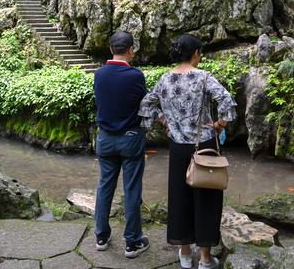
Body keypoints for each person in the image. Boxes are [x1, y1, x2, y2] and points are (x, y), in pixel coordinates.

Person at [139, 34, 236, 269]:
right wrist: (219, 125)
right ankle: (204, 259)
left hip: (178, 147)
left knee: (179, 197)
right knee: (206, 199)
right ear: (195, 54)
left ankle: (184, 254)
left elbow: (145, 105)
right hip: (203, 146)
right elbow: (227, 103)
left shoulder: (165, 79)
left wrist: (166, 121)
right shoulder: (203, 77)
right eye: (200, 53)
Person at [93, 30, 150, 258]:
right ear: (130, 50)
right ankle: (132, 242)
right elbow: (144, 105)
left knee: (105, 187)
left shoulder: (99, 74)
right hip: (130, 139)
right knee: (131, 189)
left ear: (110, 49)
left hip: (105, 138)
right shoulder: (136, 76)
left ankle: (101, 236)